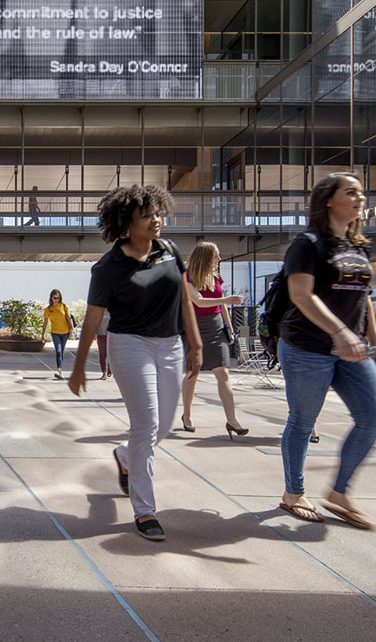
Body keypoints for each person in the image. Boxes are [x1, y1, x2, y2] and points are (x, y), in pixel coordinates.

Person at [68, 185, 204, 542]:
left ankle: (125, 456)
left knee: (163, 427)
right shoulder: (108, 267)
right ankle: (145, 511)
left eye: (157, 213)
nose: (156, 220)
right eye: (146, 215)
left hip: (171, 344)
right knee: (146, 424)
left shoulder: (170, 250)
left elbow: (185, 300)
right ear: (126, 224)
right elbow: (93, 319)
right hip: (130, 345)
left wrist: (196, 342)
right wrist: (80, 365)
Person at [278, 172, 376, 529]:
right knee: (303, 422)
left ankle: (339, 492)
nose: (360, 198)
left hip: (351, 348)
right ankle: (293, 493)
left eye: (362, 193)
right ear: (328, 200)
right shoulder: (307, 244)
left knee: (373, 417)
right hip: (307, 347)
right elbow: (301, 296)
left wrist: (372, 336)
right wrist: (339, 331)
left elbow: (361, 297)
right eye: (350, 192)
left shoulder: (359, 246)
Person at [180, 242, 247, 438]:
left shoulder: (216, 276)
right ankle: (187, 415)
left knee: (223, 374)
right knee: (193, 373)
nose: (219, 259)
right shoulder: (187, 277)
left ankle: (232, 420)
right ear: (206, 257)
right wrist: (225, 301)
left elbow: (222, 303)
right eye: (216, 256)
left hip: (216, 326)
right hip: (194, 327)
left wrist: (229, 326)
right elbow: (199, 300)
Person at [40, 289, 72, 379]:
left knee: (61, 352)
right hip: (55, 333)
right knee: (58, 351)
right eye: (54, 298)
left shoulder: (64, 306)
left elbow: (69, 317)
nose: (56, 300)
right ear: (51, 298)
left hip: (65, 332)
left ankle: (60, 371)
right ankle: (60, 372)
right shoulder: (48, 309)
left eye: (58, 298)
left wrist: (72, 329)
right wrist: (42, 335)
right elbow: (45, 323)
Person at [95, 308, 111, 379]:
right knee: (102, 354)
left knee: (110, 354)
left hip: (110, 336)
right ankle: (104, 372)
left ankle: (110, 367)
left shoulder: (112, 311)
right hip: (100, 335)